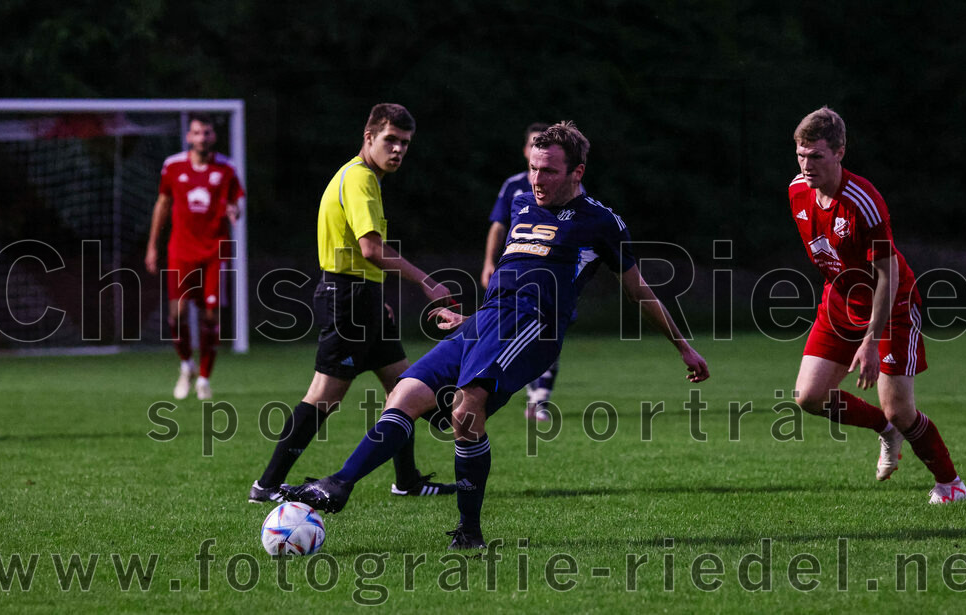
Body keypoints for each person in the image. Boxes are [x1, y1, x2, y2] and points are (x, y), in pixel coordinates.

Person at [284, 121, 710, 549]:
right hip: (487, 322)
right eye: (533, 168)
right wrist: (472, 320)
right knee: (404, 393)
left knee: (466, 410)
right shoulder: (522, 204)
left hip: (534, 328)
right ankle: (339, 484)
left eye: (549, 171)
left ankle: (468, 529)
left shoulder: (601, 221)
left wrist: (683, 347)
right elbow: (513, 280)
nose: (537, 180)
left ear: (577, 172)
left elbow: (638, 290)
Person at [248, 103, 457, 504]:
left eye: (405, 143)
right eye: (390, 140)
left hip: (363, 298)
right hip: (347, 299)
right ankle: (267, 486)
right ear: (369, 137)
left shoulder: (363, 178)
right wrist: (427, 281)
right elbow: (371, 249)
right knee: (324, 396)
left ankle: (408, 480)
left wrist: (377, 303)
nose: (398, 149)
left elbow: (363, 257)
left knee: (404, 388)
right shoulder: (360, 178)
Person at [788, 106, 966, 504]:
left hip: (892, 304)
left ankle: (950, 484)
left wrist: (870, 340)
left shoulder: (864, 202)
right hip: (840, 301)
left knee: (899, 409)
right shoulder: (797, 190)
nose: (806, 165)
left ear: (840, 152)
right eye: (800, 155)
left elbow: (889, 274)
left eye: (815, 156)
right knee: (809, 397)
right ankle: (885, 430)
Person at [146, 113, 243, 401]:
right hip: (181, 251)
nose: (202, 138)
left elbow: (236, 203)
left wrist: (234, 210)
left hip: (214, 251)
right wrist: (152, 246)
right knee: (176, 315)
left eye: (207, 132)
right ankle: (186, 364)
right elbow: (163, 203)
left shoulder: (227, 168)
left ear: (214, 136)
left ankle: (203, 378)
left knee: (211, 316)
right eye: (197, 133)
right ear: (189, 136)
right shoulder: (173, 166)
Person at [480, 123, 574, 421]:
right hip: (515, 272)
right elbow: (498, 225)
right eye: (534, 143)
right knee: (506, 333)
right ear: (526, 150)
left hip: (548, 276)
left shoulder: (566, 186)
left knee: (546, 334)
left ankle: (539, 399)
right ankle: (487, 392)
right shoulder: (515, 187)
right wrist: (489, 262)